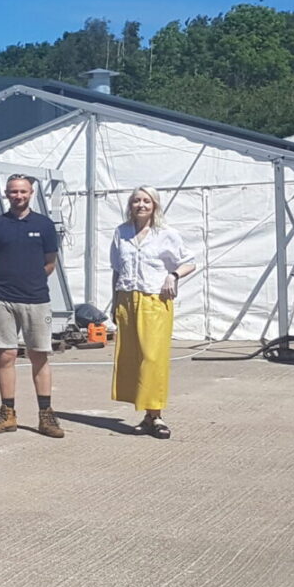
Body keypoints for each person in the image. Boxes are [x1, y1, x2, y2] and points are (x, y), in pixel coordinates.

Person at [110, 186, 198, 438]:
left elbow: (189, 261)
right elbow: (116, 269)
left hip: (154, 300)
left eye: (146, 201)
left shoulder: (166, 234)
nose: (141, 205)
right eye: (136, 201)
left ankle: (156, 415)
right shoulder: (121, 232)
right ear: (130, 205)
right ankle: (146, 414)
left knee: (152, 358)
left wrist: (173, 275)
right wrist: (114, 301)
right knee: (132, 358)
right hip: (127, 298)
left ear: (155, 205)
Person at [0, 174, 64, 438]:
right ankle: (8, 413)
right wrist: (4, 284)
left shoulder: (44, 225)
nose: (18, 196)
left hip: (37, 299)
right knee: (5, 356)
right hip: (2, 299)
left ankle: (46, 414)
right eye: (13, 192)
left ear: (31, 193)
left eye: (23, 192)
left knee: (39, 355)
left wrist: (31, 279)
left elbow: (50, 263)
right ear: (6, 194)